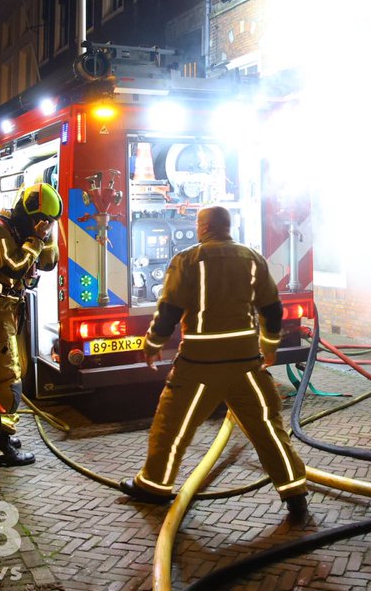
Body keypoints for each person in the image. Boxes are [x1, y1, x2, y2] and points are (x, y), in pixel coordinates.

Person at [119, 205, 309, 521]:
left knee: (172, 427)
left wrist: (152, 345)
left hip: (199, 367)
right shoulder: (253, 259)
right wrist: (270, 347)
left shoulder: (187, 261)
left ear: (204, 227)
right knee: (268, 429)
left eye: (198, 223)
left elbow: (169, 310)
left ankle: (154, 487)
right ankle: (295, 494)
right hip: (246, 365)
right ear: (228, 226)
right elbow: (272, 308)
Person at [0, 181, 61, 467]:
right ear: (25, 212)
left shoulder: (22, 231)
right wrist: (35, 240)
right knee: (7, 381)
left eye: (46, 221)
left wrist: (44, 237)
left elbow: (48, 264)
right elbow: (12, 265)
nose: (40, 225)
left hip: (6, 311)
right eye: (38, 220)